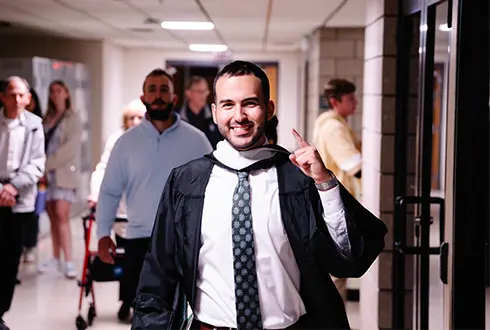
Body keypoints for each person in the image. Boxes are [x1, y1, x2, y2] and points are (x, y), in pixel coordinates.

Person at [132, 61, 387, 330]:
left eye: (250, 103)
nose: (239, 115)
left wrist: (325, 183)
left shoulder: (299, 179)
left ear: (269, 110)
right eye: (228, 105)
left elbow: (350, 257)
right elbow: (158, 273)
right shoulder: (186, 183)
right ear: (215, 112)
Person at [96, 69, 213, 321]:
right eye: (152, 90)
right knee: (145, 313)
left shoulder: (197, 141)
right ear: (143, 97)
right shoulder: (125, 143)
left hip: (185, 242)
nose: (158, 95)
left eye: (163, 90)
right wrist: (103, 233)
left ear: (173, 97)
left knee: (188, 314)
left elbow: (213, 190)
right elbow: (109, 191)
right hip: (139, 240)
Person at [88, 99, 146, 307]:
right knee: (125, 256)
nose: (136, 121)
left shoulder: (153, 139)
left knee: (142, 259)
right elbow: (103, 168)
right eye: (132, 118)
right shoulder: (117, 139)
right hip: (123, 211)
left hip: (147, 211)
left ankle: (138, 301)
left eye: (140, 117)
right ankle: (127, 301)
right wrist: (95, 194)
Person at [0, 77, 45, 330]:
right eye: (11, 94)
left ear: (28, 98)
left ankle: (1, 311)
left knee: (9, 260)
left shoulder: (35, 125)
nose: (16, 100)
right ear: (2, 97)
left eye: (21, 95)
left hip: (19, 199)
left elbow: (37, 163)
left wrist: (13, 187)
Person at [312, 78, 363, 301]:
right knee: (338, 272)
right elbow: (355, 167)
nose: (356, 103)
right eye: (350, 99)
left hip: (333, 202)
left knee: (338, 271)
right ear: (335, 101)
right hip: (337, 203)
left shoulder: (335, 123)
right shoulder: (333, 128)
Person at [38, 80, 82, 279]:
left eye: (59, 91)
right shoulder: (47, 118)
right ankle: (56, 257)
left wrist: (46, 164)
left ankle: (69, 261)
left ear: (66, 93)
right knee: (53, 216)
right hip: (47, 176)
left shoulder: (72, 119)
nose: (55, 95)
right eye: (52, 91)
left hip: (62, 173)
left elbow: (69, 150)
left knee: (62, 215)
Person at [178, 76, 222, 148]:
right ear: (188, 93)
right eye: (200, 92)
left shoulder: (216, 115)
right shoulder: (177, 118)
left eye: (206, 91)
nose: (205, 95)